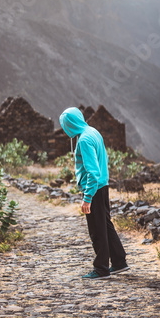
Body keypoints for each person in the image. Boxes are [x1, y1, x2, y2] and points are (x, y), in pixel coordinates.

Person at [59, 107, 129, 280]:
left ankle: (101, 269)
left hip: (94, 188)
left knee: (97, 230)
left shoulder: (83, 140)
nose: (64, 129)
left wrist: (87, 198)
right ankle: (119, 262)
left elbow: (93, 172)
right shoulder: (93, 132)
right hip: (102, 186)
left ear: (70, 124)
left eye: (65, 125)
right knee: (105, 225)